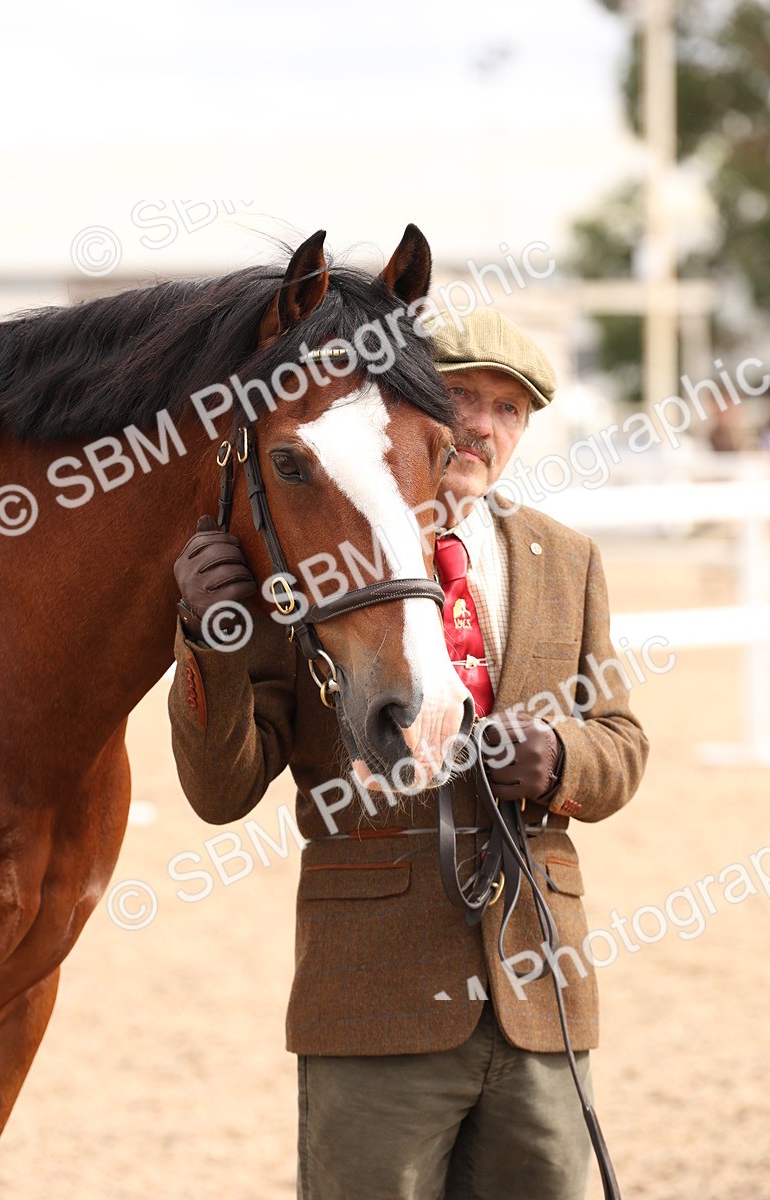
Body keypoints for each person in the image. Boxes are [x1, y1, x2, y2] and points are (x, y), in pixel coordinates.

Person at [168, 306, 649, 1200]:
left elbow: (622, 746)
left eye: (510, 409)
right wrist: (208, 640)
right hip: (373, 1001)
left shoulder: (567, 560)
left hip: (541, 998)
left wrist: (560, 760)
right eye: (460, 396)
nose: (482, 424)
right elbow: (220, 789)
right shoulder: (323, 553)